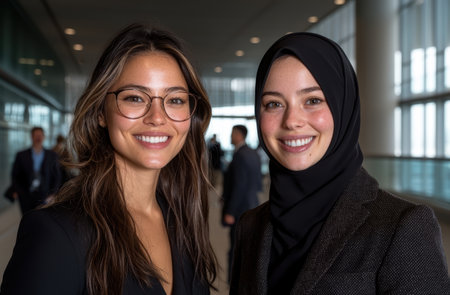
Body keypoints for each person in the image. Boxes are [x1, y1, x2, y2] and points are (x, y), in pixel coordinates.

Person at [1, 23, 217, 295]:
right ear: (101, 112)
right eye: (136, 98)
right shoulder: (56, 234)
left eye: (175, 100)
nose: (157, 117)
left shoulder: (181, 219)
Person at [230, 32, 450, 294]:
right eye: (274, 104)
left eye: (312, 100)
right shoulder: (251, 225)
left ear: (343, 107)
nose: (291, 120)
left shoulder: (402, 226)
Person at [222, 124, 261, 282]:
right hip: (253, 203)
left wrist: (230, 211)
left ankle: (234, 280)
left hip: (240, 208)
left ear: (239, 135)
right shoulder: (253, 153)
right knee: (248, 243)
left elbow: (239, 185)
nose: (231, 137)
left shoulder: (240, 155)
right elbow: (257, 183)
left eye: (232, 133)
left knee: (237, 246)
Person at [9, 126, 61, 214]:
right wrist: (18, 191)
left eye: (40, 135)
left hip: (45, 196)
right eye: (36, 135)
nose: (38, 138)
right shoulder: (21, 155)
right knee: (27, 219)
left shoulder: (52, 155)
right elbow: (15, 175)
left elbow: (57, 176)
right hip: (26, 196)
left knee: (43, 220)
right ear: (32, 137)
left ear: (44, 137)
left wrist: (53, 194)